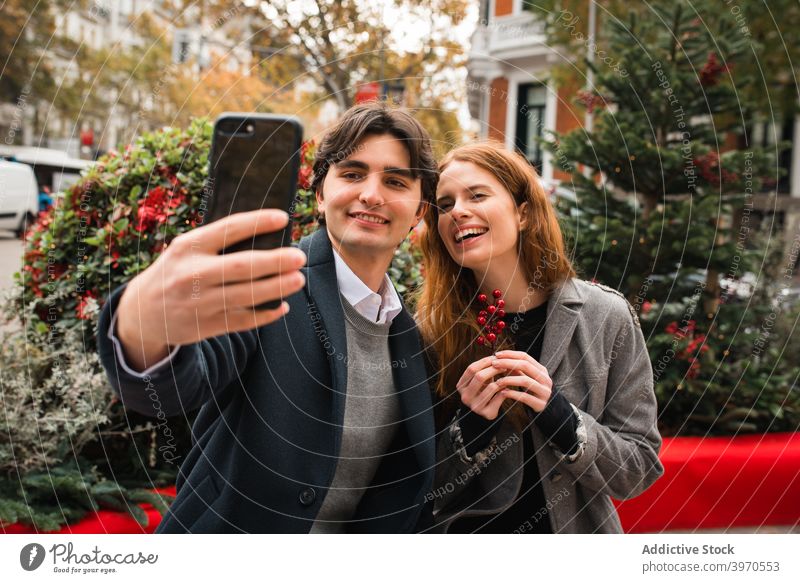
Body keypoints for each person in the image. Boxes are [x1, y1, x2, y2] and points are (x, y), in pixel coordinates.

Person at [97, 102, 438, 533]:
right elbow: (172, 387)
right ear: (319, 194)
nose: (371, 194)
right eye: (352, 174)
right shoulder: (266, 283)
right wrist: (141, 329)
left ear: (420, 209)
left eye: (394, 181)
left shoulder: (411, 335)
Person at [415, 142, 663, 533]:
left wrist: (562, 418)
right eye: (444, 204)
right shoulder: (430, 329)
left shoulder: (605, 316)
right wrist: (472, 427)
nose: (457, 211)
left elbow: (639, 469)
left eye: (477, 195)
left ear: (524, 213)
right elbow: (417, 486)